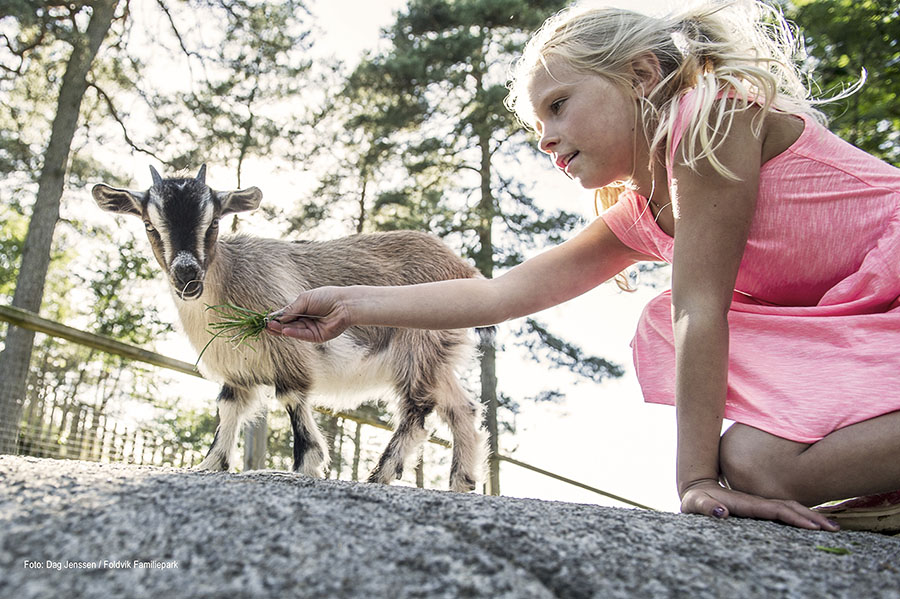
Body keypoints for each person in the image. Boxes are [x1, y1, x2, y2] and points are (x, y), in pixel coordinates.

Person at [267, 0, 900, 532]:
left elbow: (698, 309)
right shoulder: (644, 213)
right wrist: (349, 302)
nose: (543, 137)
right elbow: (501, 295)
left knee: (698, 394)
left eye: (558, 104)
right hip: (871, 323)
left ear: (643, 74)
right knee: (757, 462)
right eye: (535, 122)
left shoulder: (714, 116)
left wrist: (694, 481)